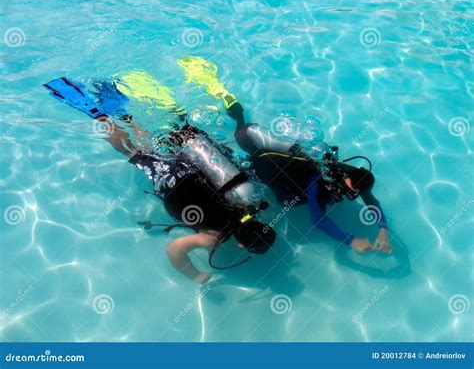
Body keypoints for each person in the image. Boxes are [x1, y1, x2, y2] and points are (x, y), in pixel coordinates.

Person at [43, 77, 276, 284]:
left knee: (143, 135)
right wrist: (196, 276)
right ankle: (97, 113)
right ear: (241, 245)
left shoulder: (250, 202)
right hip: (172, 182)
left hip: (190, 169)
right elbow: (174, 249)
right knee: (133, 151)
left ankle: (114, 99)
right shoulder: (212, 238)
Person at [176, 56, 392, 255]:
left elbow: (369, 198)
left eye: (352, 194)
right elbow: (317, 220)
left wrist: (383, 228)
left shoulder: (348, 175)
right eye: (349, 191)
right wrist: (350, 240)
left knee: (239, 132)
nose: (348, 195)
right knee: (223, 152)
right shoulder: (318, 178)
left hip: (263, 152)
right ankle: (185, 119)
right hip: (253, 167)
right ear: (345, 178)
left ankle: (214, 111)